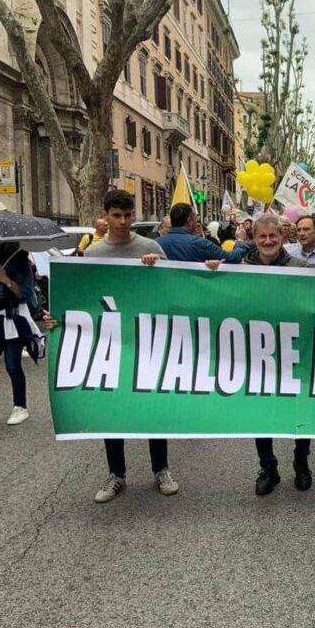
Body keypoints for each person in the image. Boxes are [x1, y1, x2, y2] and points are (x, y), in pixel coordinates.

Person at [82, 189, 179, 503]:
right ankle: (116, 474)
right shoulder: (94, 254)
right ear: (106, 216)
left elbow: (173, 289)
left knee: (151, 406)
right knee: (113, 409)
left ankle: (161, 469)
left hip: (147, 342)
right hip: (110, 344)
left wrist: (157, 268)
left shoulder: (151, 247)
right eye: (117, 216)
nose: (123, 222)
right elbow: (83, 297)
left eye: (127, 215)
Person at [241, 214, 315, 496]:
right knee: (262, 412)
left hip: (295, 352)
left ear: (282, 237)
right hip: (260, 354)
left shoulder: (300, 267)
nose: (268, 241)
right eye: (262, 236)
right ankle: (268, 468)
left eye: (272, 236)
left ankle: (301, 462)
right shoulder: (243, 268)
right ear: (254, 239)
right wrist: (213, 269)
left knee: (300, 410)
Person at [0, 240, 41, 430]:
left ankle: (20, 406)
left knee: (12, 365)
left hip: (11, 319)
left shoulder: (19, 259)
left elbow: (25, 294)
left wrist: (6, 280)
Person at [157, 203, 246, 264]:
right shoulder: (200, 243)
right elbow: (232, 258)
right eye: (195, 219)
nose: (197, 223)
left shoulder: (156, 243)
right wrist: (240, 241)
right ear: (189, 221)